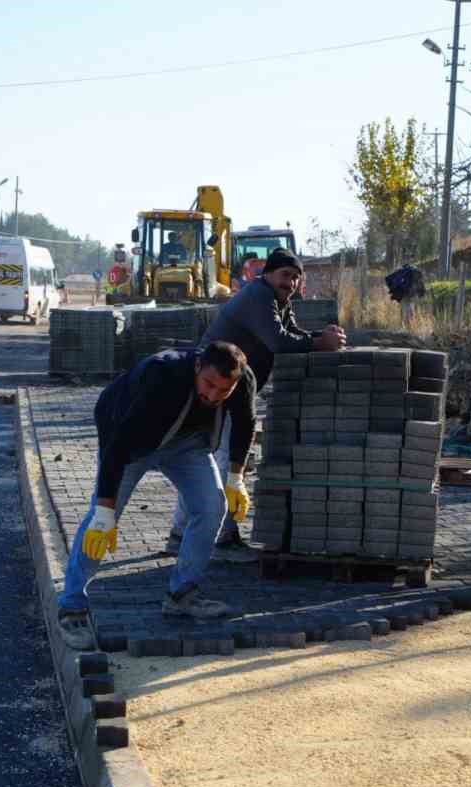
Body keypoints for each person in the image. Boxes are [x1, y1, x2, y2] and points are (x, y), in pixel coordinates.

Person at [55, 341, 258, 650]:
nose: (213, 396)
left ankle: (182, 595)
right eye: (209, 385)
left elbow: (245, 423)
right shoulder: (161, 375)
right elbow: (117, 446)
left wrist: (235, 478)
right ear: (198, 366)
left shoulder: (242, 380)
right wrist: (105, 510)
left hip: (188, 444)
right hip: (130, 444)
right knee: (100, 523)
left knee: (212, 506)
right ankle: (72, 606)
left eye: (223, 391)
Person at [164, 247, 346, 553]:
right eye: (285, 275)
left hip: (230, 391)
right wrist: (319, 343)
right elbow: (277, 340)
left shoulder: (278, 301)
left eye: (295, 278)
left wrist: (321, 336)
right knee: (221, 462)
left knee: (210, 460)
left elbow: (291, 332)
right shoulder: (259, 296)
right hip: (217, 388)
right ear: (268, 275)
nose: (290, 282)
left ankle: (181, 536)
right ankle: (217, 535)